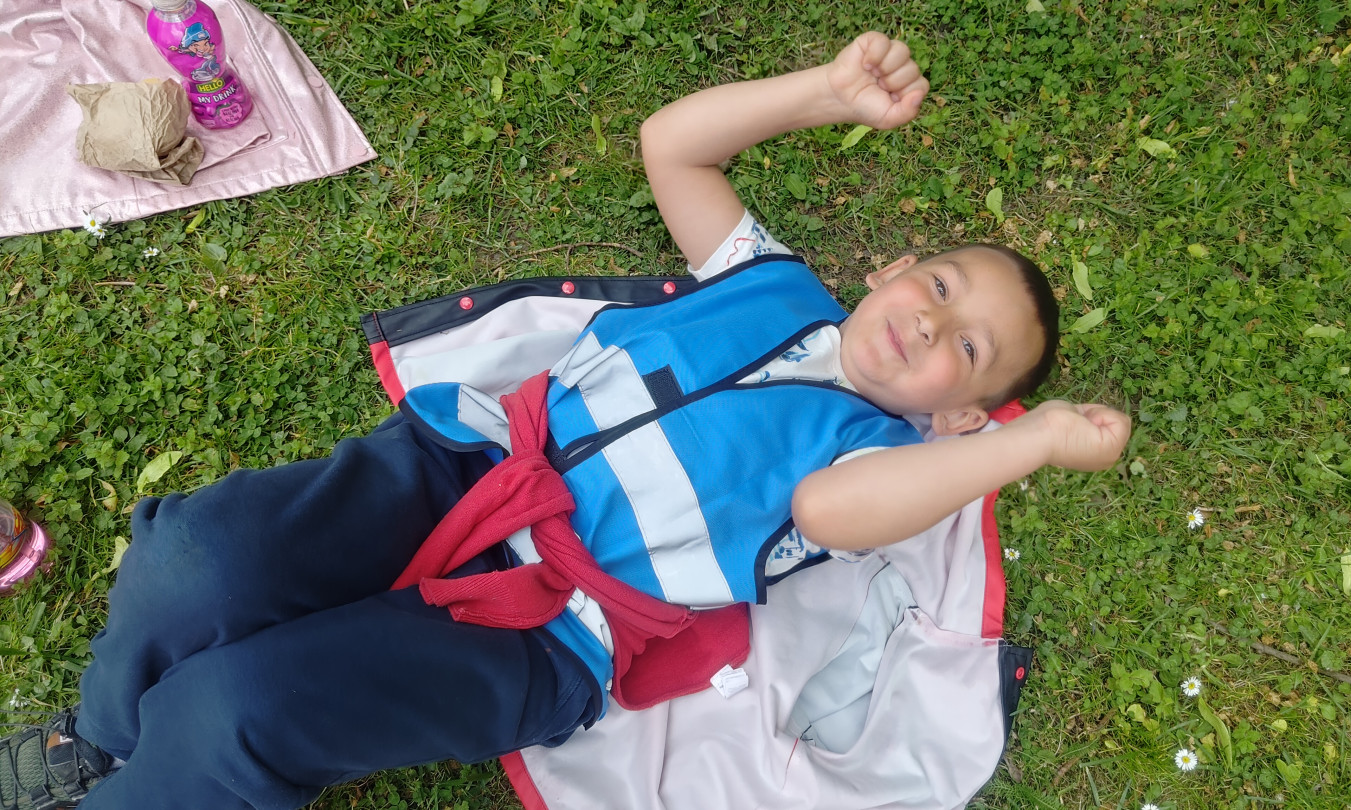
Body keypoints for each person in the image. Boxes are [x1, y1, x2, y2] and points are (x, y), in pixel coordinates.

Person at [0, 32, 1130, 810]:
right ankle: (96, 736)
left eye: (966, 350)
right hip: (464, 466)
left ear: (961, 413)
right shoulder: (769, 278)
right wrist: (825, 95)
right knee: (201, 554)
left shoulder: (877, 456)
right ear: (893, 267)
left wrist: (1022, 446)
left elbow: (837, 513)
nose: (931, 324)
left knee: (246, 706)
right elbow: (674, 145)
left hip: (552, 628)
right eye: (939, 286)